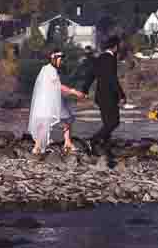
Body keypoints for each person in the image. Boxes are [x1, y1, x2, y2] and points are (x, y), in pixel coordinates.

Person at [28, 48, 84, 157]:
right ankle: (40, 146)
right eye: (60, 59)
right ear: (54, 59)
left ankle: (64, 142)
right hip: (50, 101)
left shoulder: (45, 69)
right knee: (59, 120)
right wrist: (73, 91)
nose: (61, 62)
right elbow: (58, 87)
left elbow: (52, 87)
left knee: (56, 121)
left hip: (46, 100)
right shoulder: (51, 70)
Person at [85, 32, 127, 166]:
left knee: (108, 123)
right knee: (114, 122)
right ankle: (93, 140)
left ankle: (107, 151)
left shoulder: (100, 58)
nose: (119, 48)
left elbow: (91, 74)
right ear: (115, 47)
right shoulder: (110, 59)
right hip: (109, 96)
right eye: (119, 46)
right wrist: (121, 95)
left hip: (100, 96)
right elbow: (112, 79)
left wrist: (85, 89)